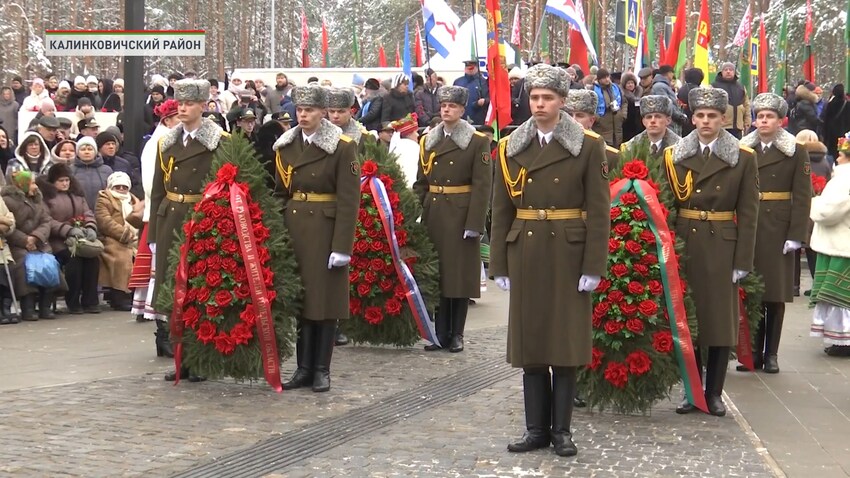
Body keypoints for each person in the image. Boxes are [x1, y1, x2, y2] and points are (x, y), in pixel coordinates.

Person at [490, 63, 610, 457]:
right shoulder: (511, 146)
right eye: (535, 98)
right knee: (532, 343)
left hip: (568, 252)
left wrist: (594, 265)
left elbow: (599, 209)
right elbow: (502, 207)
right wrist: (499, 264)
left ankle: (562, 431)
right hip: (526, 248)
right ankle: (535, 429)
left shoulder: (587, 145)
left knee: (565, 343)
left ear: (562, 102)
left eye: (548, 98)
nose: (540, 104)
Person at [664, 87, 759, 416]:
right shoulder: (675, 155)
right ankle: (692, 390)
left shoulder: (742, 157)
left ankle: (714, 391)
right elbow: (667, 203)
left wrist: (743, 260)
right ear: (692, 119)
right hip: (685, 240)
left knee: (718, 322)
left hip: (722, 244)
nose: (706, 121)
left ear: (723, 119)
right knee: (689, 320)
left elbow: (749, 212)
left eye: (712, 116)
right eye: (700, 116)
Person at [272, 85, 360, 392]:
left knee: (324, 304)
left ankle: (322, 368)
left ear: (323, 112)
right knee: (301, 302)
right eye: (300, 110)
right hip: (295, 228)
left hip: (325, 230)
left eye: (310, 110)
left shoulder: (342, 146)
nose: (303, 115)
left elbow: (350, 199)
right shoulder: (285, 146)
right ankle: (303, 367)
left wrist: (342, 246)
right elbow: (279, 193)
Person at [150, 79, 229, 382]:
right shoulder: (167, 141)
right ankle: (181, 356)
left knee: (198, 288)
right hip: (171, 215)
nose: (182, 108)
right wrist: (155, 235)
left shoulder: (219, 140)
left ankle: (200, 358)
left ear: (204, 106)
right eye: (179, 103)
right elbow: (158, 190)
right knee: (173, 286)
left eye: (189, 103)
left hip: (201, 216)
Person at [735, 93, 812, 373]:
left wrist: (797, 233)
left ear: (781, 121)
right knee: (752, 291)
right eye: (759, 116)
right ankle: (753, 352)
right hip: (750, 223)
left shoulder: (794, 150)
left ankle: (772, 354)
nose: (763, 121)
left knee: (775, 295)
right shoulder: (745, 150)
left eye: (769, 116)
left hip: (778, 227)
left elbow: (803, 196)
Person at [413, 85, 492, 353]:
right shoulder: (429, 140)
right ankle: (439, 333)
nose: (447, 109)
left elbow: (482, 187)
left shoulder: (476, 141)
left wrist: (474, 224)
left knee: (458, 277)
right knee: (437, 275)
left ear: (462, 110)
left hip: (461, 213)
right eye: (444, 105)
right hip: (434, 213)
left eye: (453, 106)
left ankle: (456, 333)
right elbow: (421, 182)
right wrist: (416, 210)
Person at [132, 98, 178, 353]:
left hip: (171, 214)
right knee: (160, 274)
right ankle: (162, 334)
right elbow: (152, 184)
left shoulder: (171, 141)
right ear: (168, 120)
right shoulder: (157, 144)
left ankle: (169, 333)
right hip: (160, 215)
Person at [37, 164, 99, 314]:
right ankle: (73, 301)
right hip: (58, 242)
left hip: (81, 238)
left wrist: (90, 226)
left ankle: (90, 301)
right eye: (61, 181)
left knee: (93, 259)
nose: (65, 183)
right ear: (53, 182)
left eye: (67, 180)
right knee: (74, 261)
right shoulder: (47, 197)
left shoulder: (77, 195)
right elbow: (47, 220)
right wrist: (68, 230)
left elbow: (88, 213)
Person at [809, 136, 850, 355]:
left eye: (841, 155)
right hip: (843, 243)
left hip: (839, 245)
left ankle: (843, 341)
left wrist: (814, 202)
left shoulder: (844, 179)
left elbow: (827, 212)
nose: (837, 159)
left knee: (838, 297)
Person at [2, 171, 58, 321]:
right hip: (19, 245)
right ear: (22, 184)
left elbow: (46, 221)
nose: (35, 186)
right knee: (24, 265)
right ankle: (28, 307)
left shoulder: (38, 200)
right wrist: (25, 240)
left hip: (39, 242)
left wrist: (36, 237)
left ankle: (45, 305)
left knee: (49, 263)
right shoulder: (7, 201)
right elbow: (10, 227)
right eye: (32, 183)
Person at [96, 172, 143, 311]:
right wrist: (124, 234)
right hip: (112, 238)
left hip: (135, 238)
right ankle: (120, 296)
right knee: (121, 259)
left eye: (124, 186)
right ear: (111, 186)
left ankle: (137, 296)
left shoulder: (134, 201)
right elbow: (104, 221)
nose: (121, 189)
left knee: (142, 258)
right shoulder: (104, 199)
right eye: (118, 186)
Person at [565, 89, 621, 168]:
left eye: (580, 116)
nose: (573, 120)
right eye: (569, 115)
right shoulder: (551, 145)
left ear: (591, 121)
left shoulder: (608, 154)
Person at [71, 136, 113, 211]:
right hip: (78, 214)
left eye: (90, 149)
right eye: (83, 149)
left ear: (95, 151)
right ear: (77, 152)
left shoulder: (107, 170)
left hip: (102, 212)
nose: (86, 152)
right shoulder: (70, 170)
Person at [711, 63, 751, 138]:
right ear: (722, 72)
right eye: (726, 70)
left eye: (731, 70)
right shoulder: (714, 87)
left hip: (738, 128)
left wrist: (747, 121)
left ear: (734, 72)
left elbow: (746, 105)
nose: (728, 71)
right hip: (721, 127)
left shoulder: (741, 87)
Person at [591, 68, 627, 148]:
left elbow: (624, 102)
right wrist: (598, 119)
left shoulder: (616, 88)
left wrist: (623, 115)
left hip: (617, 125)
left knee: (617, 149)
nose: (607, 79)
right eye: (604, 78)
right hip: (602, 127)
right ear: (599, 79)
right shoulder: (593, 90)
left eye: (608, 77)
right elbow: (589, 107)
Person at [387, 113, 420, 188]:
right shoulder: (412, 147)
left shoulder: (396, 147)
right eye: (416, 132)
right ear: (408, 134)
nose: (418, 135)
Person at [453, 61, 490, 125]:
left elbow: (490, 98)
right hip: (461, 116)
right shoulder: (458, 82)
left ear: (477, 68)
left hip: (479, 117)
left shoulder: (484, 82)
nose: (470, 70)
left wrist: (484, 101)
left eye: (472, 68)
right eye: (467, 68)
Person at [0, 195, 15, 324]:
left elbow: (10, 218)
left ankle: (5, 309)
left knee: (8, 272)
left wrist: (6, 224)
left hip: (2, 245)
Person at [620, 71, 643, 142]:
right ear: (624, 85)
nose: (630, 85)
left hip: (639, 125)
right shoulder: (622, 96)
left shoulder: (640, 94)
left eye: (632, 83)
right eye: (628, 83)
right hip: (627, 126)